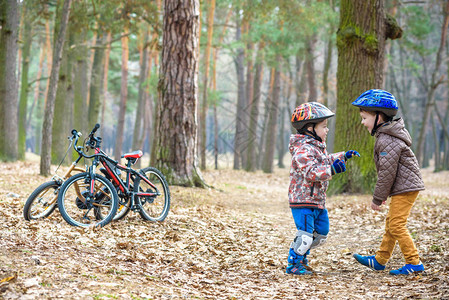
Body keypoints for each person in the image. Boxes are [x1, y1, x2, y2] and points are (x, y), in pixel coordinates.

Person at [351, 89, 425, 275]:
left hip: (405, 188)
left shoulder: (387, 139)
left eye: (364, 117)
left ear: (379, 117)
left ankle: (414, 262)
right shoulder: (387, 136)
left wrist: (378, 198)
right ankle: (380, 260)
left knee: (396, 225)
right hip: (403, 186)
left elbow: (387, 173)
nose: (362, 122)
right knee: (391, 223)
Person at [286, 102, 360, 275]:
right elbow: (311, 172)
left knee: (321, 234)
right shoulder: (303, 149)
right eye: (324, 126)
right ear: (309, 128)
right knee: (305, 235)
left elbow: (326, 160)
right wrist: (332, 170)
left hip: (317, 200)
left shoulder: (317, 147)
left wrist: (343, 155)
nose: (327, 130)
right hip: (303, 200)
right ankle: (294, 264)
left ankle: (301, 254)